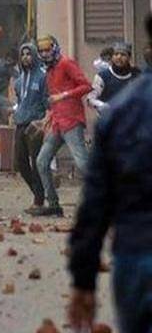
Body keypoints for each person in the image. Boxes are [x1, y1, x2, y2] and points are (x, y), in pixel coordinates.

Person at [67, 29, 152, 333]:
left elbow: (96, 202)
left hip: (136, 254)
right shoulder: (112, 93)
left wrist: (83, 279)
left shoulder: (124, 110)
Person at [33, 35, 92, 217]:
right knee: (42, 162)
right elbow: (54, 100)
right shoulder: (49, 70)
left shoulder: (66, 63)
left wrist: (64, 95)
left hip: (72, 121)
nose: (45, 53)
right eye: (41, 51)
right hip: (57, 122)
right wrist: (47, 117)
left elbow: (86, 86)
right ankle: (53, 204)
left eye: (47, 49)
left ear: (55, 48)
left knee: (82, 162)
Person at [12, 42, 49, 214]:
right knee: (20, 162)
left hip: (35, 124)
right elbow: (20, 101)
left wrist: (44, 122)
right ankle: (38, 192)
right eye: (23, 54)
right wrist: (14, 112)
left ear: (34, 56)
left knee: (36, 162)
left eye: (28, 54)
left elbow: (47, 101)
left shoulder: (42, 77)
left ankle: (39, 201)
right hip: (20, 123)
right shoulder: (18, 81)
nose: (26, 57)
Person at [87, 42, 141, 115]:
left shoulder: (137, 74)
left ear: (129, 57)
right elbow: (90, 99)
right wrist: (104, 106)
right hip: (109, 118)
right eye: (116, 54)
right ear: (112, 57)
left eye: (123, 55)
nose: (119, 57)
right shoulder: (103, 76)